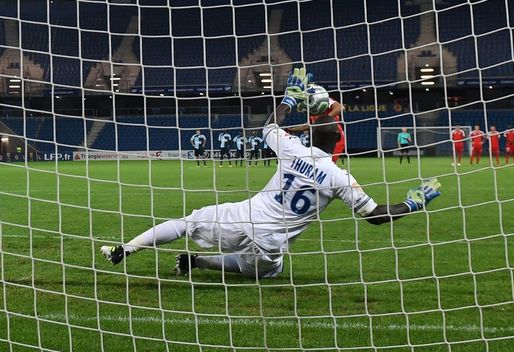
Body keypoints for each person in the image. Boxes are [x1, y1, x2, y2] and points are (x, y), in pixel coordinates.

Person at [100, 74, 442, 279]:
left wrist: (290, 99)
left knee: (187, 222)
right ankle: (200, 262)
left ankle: (125, 249)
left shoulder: (293, 148)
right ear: (338, 141)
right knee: (269, 271)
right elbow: (375, 217)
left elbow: (270, 126)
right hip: (271, 242)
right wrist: (412, 203)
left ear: (309, 134)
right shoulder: (340, 177)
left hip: (243, 217)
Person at [288, 70, 346, 165]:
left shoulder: (322, 98)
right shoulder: (309, 107)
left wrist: (323, 120)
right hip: (320, 138)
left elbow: (340, 107)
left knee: (325, 167)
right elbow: (309, 125)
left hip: (333, 137)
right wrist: (290, 129)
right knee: (318, 168)